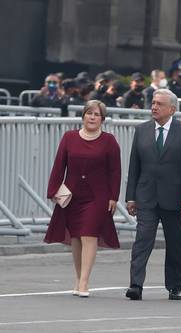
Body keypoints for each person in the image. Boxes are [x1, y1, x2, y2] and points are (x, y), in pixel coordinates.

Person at [125, 89, 181, 301]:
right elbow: (134, 166)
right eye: (153, 103)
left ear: (172, 109)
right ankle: (136, 284)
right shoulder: (142, 131)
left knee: (176, 243)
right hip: (146, 195)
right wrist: (130, 196)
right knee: (142, 240)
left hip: (175, 198)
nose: (154, 107)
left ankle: (175, 284)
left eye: (159, 104)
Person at [44, 100, 121, 297]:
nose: (92, 117)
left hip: (98, 196)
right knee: (76, 237)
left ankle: (85, 282)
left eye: (96, 114)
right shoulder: (69, 138)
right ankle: (78, 278)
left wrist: (114, 196)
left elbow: (115, 171)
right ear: (83, 116)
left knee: (89, 234)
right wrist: (53, 190)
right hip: (72, 194)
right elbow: (59, 166)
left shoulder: (109, 141)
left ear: (102, 119)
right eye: (89, 113)